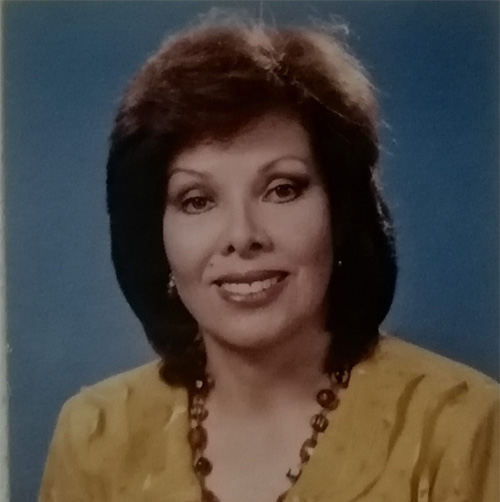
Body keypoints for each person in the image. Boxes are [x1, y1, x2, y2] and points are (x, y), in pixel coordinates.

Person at [39, 16, 498, 502]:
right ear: (155, 235)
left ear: (341, 212)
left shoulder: (461, 427)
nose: (243, 236)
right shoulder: (95, 436)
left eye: (282, 189)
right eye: (197, 200)